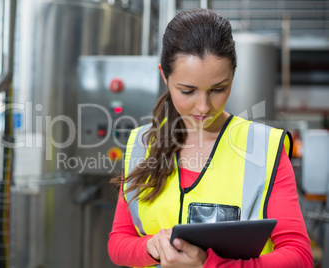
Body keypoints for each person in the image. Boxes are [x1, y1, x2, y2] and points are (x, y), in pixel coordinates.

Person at [108, 8, 313, 268]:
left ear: (232, 76)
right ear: (164, 76)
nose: (203, 107)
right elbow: (118, 242)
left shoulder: (264, 148)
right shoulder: (141, 144)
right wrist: (152, 246)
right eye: (187, 91)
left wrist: (213, 265)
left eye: (218, 89)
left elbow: (299, 256)